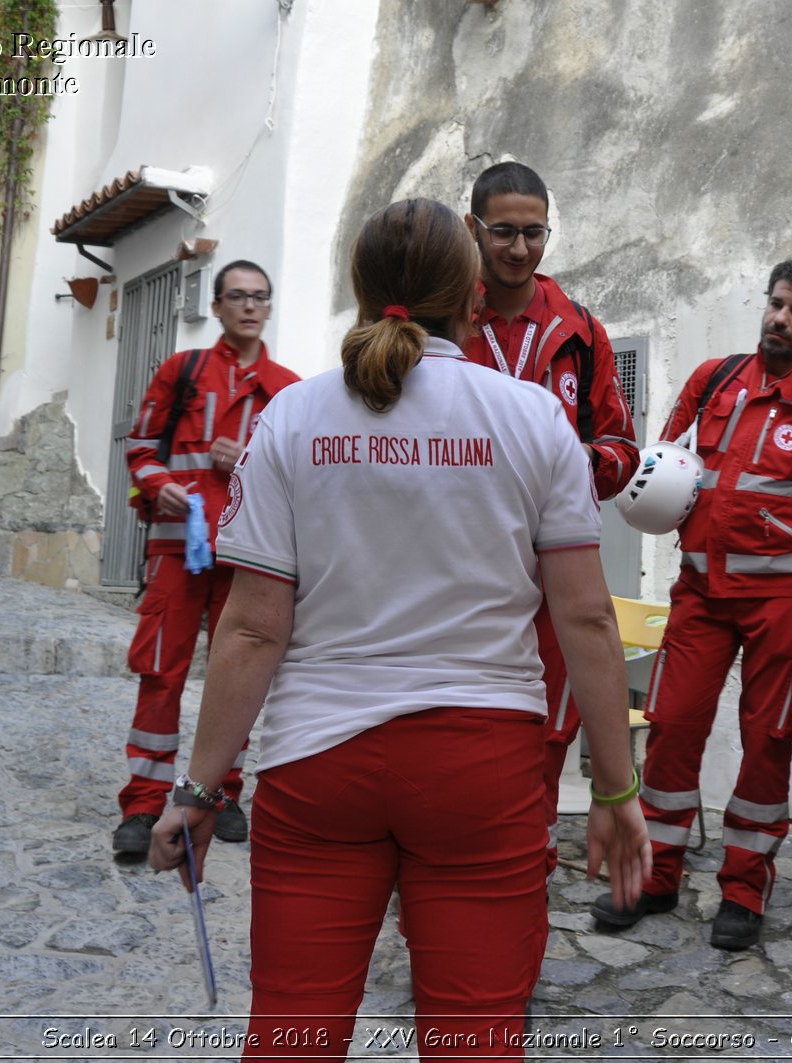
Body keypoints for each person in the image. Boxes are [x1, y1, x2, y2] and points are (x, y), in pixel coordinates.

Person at [149, 197, 651, 1059]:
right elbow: (584, 616)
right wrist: (615, 789)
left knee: (292, 1035)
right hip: (481, 764)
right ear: (473, 295)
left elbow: (252, 630)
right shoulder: (532, 418)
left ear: (359, 286)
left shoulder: (292, 418)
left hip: (318, 763)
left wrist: (198, 790)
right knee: (475, 1039)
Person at [591, 258, 792, 951]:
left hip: (783, 606)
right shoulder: (714, 380)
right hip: (701, 596)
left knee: (767, 745)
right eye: (777, 304)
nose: (781, 319)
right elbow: (663, 465)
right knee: (674, 726)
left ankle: (744, 888)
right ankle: (657, 877)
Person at [462, 162, 639, 873]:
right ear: (474, 227)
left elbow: (623, 451)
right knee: (455, 736)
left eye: (534, 233)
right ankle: (438, 924)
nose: (519, 249)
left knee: (542, 742)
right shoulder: (439, 317)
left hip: (554, 575)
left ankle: (515, 929)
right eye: (502, 232)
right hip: (460, 571)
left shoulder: (579, 331)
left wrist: (569, 465)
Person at [111, 260, 300, 859]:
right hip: (176, 552)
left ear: (268, 308)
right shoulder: (181, 371)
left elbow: (300, 476)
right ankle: (142, 805)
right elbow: (139, 446)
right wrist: (158, 482)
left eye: (260, 297)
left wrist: (246, 457)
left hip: (247, 556)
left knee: (238, 673)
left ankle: (223, 793)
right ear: (216, 307)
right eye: (237, 297)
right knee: (160, 672)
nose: (249, 306)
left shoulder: (289, 389)